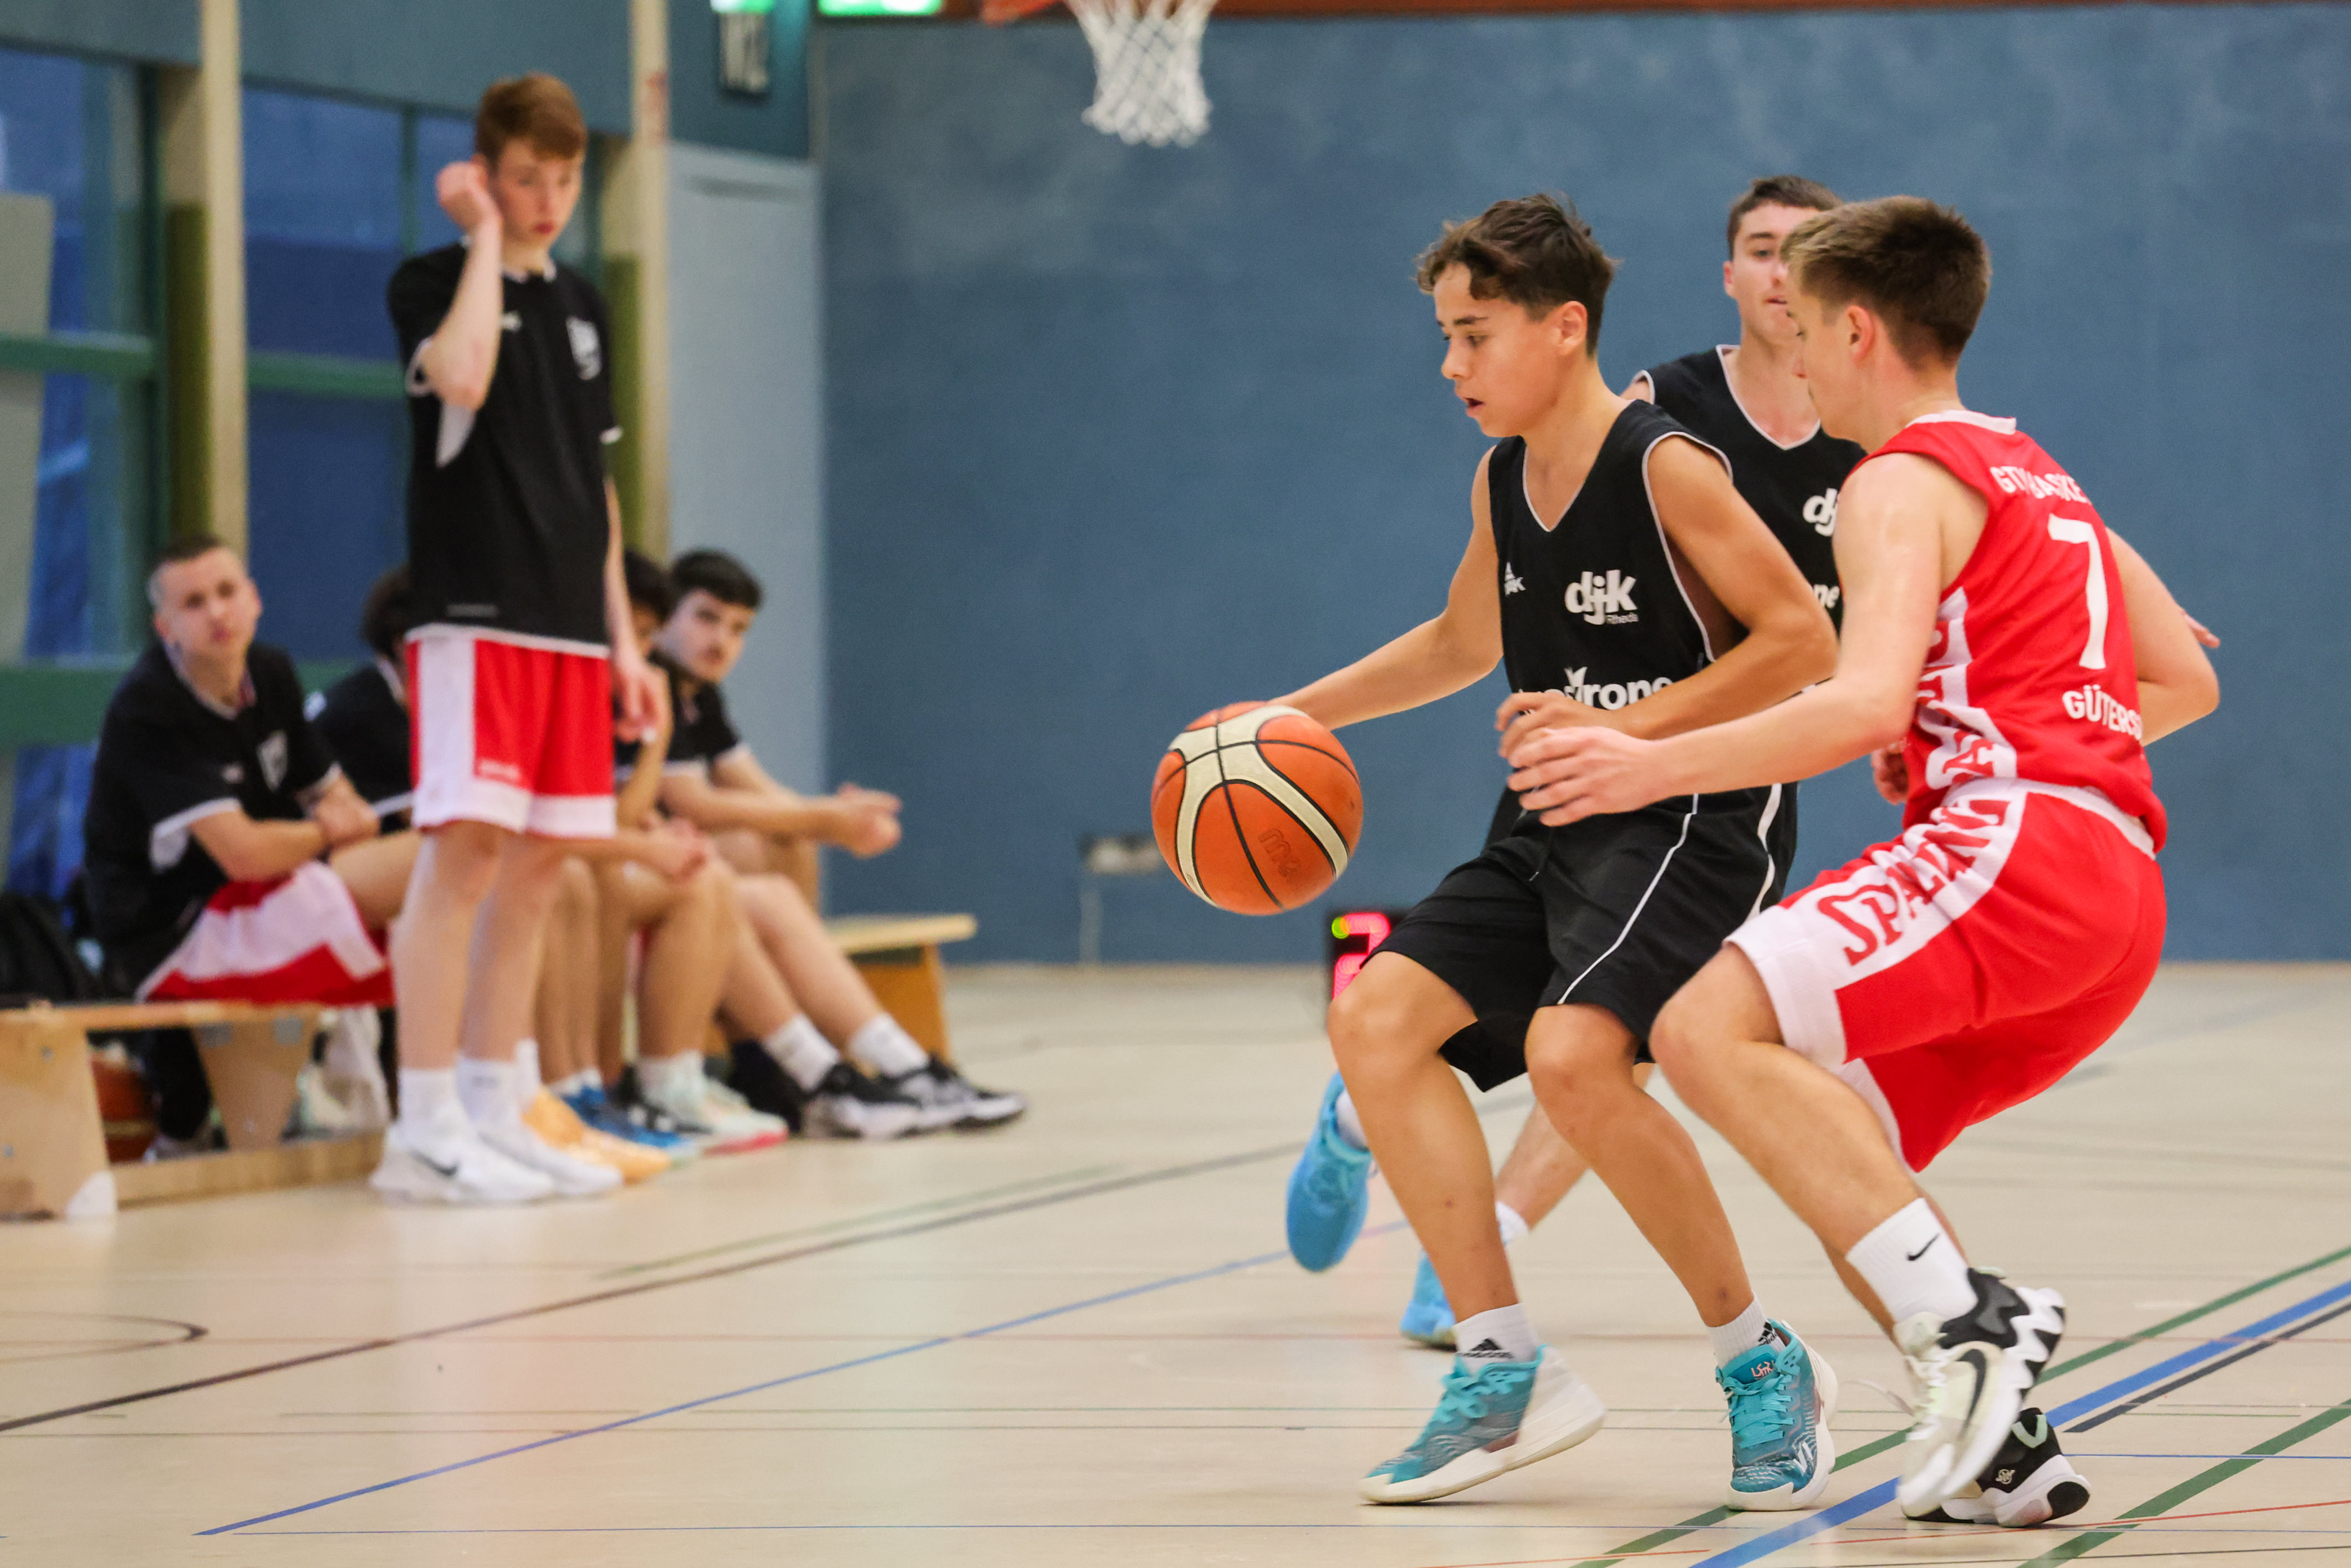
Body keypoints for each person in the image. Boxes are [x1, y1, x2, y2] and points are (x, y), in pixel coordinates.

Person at [1505, 196, 2219, 1521]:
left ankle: (1974, 1325)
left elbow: (1855, 699)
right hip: (2113, 886)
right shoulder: (2040, 474)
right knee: (1844, 1152)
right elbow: (2178, 680)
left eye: (1803, 328)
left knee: (1698, 1025)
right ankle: (2006, 1452)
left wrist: (1643, 762)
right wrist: (1971, 726)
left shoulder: (1892, 479)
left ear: (1854, 331)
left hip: (2009, 850)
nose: (1794, 357)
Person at [1271, 193, 1842, 1508]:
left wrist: (1624, 728)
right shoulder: (1500, 476)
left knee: (1574, 1057)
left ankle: (1756, 1357)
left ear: (1562, 326)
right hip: (1559, 818)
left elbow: (1799, 645)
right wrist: (1286, 716)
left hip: (1696, 818)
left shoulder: (1664, 467)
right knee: (1373, 1023)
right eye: (1445, 337)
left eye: (1472, 335)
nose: (1449, 364)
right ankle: (1499, 1365)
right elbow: (1457, 642)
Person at [374, 72, 666, 1204]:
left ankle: (499, 1100)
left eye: (564, 180)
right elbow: (462, 375)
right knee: (465, 859)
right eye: (525, 180)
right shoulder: (431, 281)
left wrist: (623, 643)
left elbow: (597, 488)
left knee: (539, 870)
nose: (548, 200)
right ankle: (423, 1122)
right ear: (484, 175)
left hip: (569, 632)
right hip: (476, 617)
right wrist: (485, 242)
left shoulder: (585, 305)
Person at [649, 549, 1026, 1132]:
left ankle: (818, 1059)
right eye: (706, 618)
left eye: (738, 629)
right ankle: (850, 1067)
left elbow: (758, 790)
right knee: (757, 868)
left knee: (783, 843)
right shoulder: (651, 683)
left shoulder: (701, 694)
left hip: (665, 860)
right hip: (636, 863)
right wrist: (824, 819)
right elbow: (690, 803)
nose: (721, 641)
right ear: (663, 617)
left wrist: (835, 818)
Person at [83, 539, 416, 1014]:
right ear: (165, 628)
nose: (217, 613)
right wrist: (327, 830)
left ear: (255, 599)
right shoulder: (148, 709)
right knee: (440, 857)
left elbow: (339, 798)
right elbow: (245, 854)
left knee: (474, 872)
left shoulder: (270, 670)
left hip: (263, 895)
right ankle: (476, 1053)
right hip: (177, 937)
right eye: (194, 603)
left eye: (227, 592)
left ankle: (510, 1055)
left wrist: (334, 821)